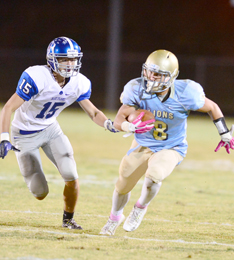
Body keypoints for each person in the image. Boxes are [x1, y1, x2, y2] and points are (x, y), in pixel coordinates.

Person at [100, 49, 234, 236]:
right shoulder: (136, 88)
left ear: (171, 77)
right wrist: (127, 127)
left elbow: (212, 107)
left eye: (158, 75)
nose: (151, 78)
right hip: (142, 143)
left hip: (172, 147)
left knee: (154, 175)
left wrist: (224, 133)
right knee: (123, 184)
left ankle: (140, 208)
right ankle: (114, 217)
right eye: (149, 72)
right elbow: (119, 118)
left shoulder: (186, 93)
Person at [0, 36, 118, 230]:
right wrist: (4, 138)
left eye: (73, 59)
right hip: (24, 133)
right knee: (40, 192)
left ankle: (68, 219)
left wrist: (107, 123)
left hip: (50, 129)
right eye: (64, 59)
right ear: (52, 59)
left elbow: (93, 111)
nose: (70, 64)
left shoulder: (79, 82)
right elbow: (8, 108)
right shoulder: (36, 77)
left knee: (71, 175)